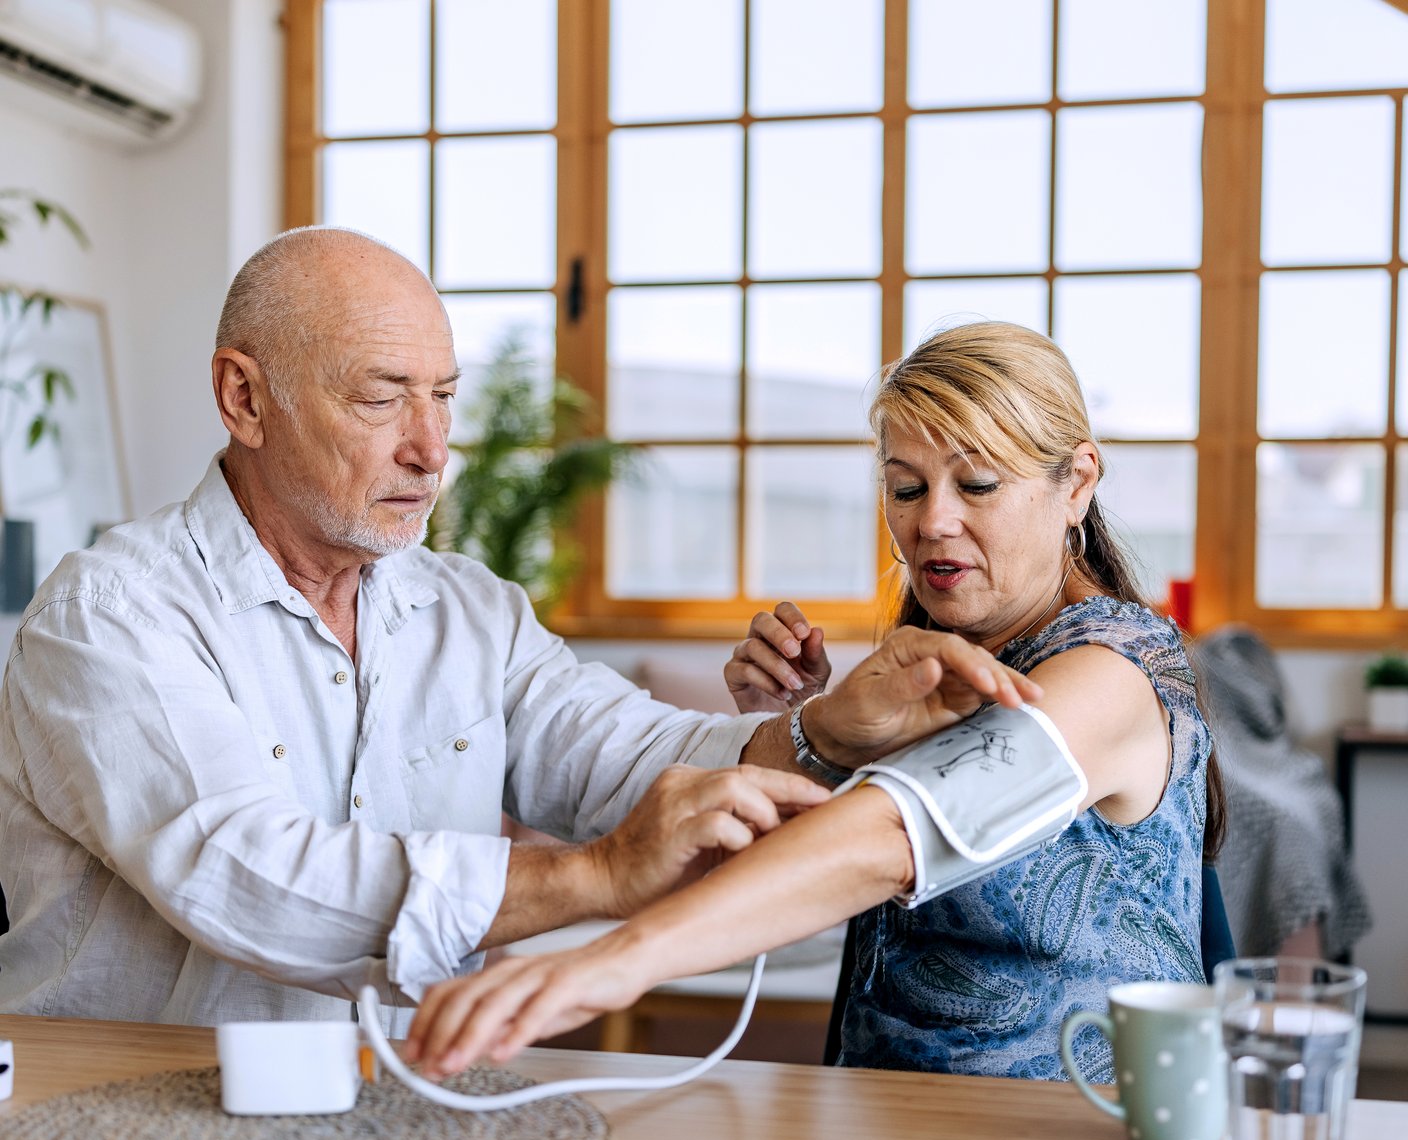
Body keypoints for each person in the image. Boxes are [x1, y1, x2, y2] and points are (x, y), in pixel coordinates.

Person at [0, 231, 1032, 1029]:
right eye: (381, 398)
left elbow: (636, 760)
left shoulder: (469, 613)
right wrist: (591, 876)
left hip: (405, 1119)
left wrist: (828, 730)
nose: (430, 447)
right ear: (244, 397)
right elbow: (248, 877)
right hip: (113, 1137)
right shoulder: (110, 616)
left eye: (443, 398)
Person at [406, 321, 1225, 1081]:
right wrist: (813, 733)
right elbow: (829, 864)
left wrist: (608, 961)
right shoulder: (952, 663)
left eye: (976, 484)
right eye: (905, 489)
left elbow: (898, 836)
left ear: (1077, 482)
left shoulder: (1112, 672)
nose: (933, 523)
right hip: (892, 1126)